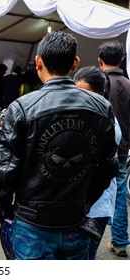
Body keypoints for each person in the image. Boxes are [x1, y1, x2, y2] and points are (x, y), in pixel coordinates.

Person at [0, 31, 118, 260]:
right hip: (75, 219)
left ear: (38, 62)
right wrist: (85, 203)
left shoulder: (21, 107)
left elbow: (5, 170)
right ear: (75, 63)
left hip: (32, 221)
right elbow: (109, 166)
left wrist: (5, 208)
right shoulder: (101, 107)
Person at [74, 66, 121, 260]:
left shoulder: (109, 124)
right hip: (73, 205)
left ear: (101, 94)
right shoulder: (76, 117)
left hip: (95, 206)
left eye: (86, 93)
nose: (80, 98)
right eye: (77, 92)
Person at [98, 40, 130, 257]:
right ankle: (119, 241)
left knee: (92, 194)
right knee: (118, 195)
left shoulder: (96, 84)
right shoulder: (128, 85)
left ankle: (85, 239)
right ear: (121, 59)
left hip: (98, 151)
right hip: (123, 150)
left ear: (100, 61)